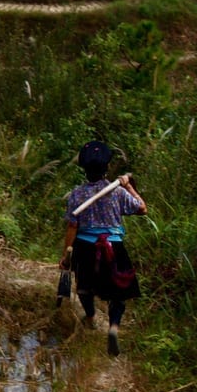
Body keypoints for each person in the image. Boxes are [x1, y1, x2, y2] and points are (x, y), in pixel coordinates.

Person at [60, 140, 147, 356]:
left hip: (85, 247)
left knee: (84, 287)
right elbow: (142, 209)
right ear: (107, 168)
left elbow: (72, 226)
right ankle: (114, 327)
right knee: (118, 293)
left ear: (84, 168)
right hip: (114, 246)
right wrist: (128, 186)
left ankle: (90, 317)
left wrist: (66, 256)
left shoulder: (76, 195)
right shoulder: (117, 193)